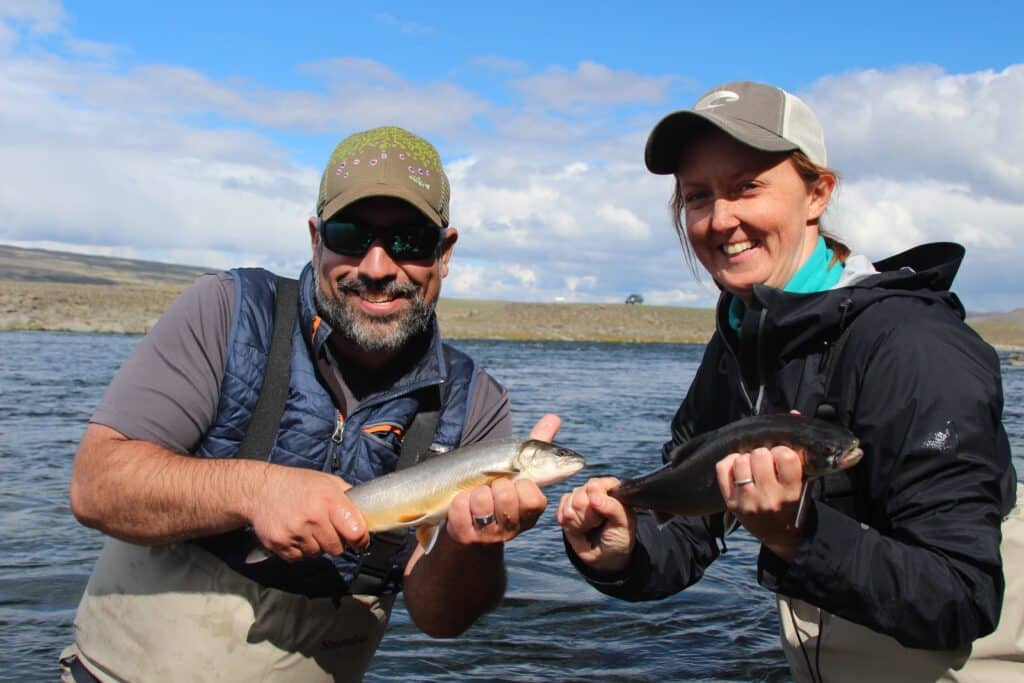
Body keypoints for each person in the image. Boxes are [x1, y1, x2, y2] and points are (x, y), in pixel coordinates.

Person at [557, 81, 1022, 682]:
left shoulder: (915, 347)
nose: (721, 219)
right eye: (698, 197)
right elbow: (693, 528)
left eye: (746, 186)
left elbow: (962, 597)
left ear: (817, 194)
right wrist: (622, 551)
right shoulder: (740, 341)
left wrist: (798, 533)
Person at [60, 126, 561, 682]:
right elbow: (97, 485)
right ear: (315, 239)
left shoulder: (476, 403)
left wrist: (474, 546)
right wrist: (255, 490)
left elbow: (442, 619)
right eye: (351, 233)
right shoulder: (226, 312)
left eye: (409, 242)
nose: (376, 267)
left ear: (444, 254)